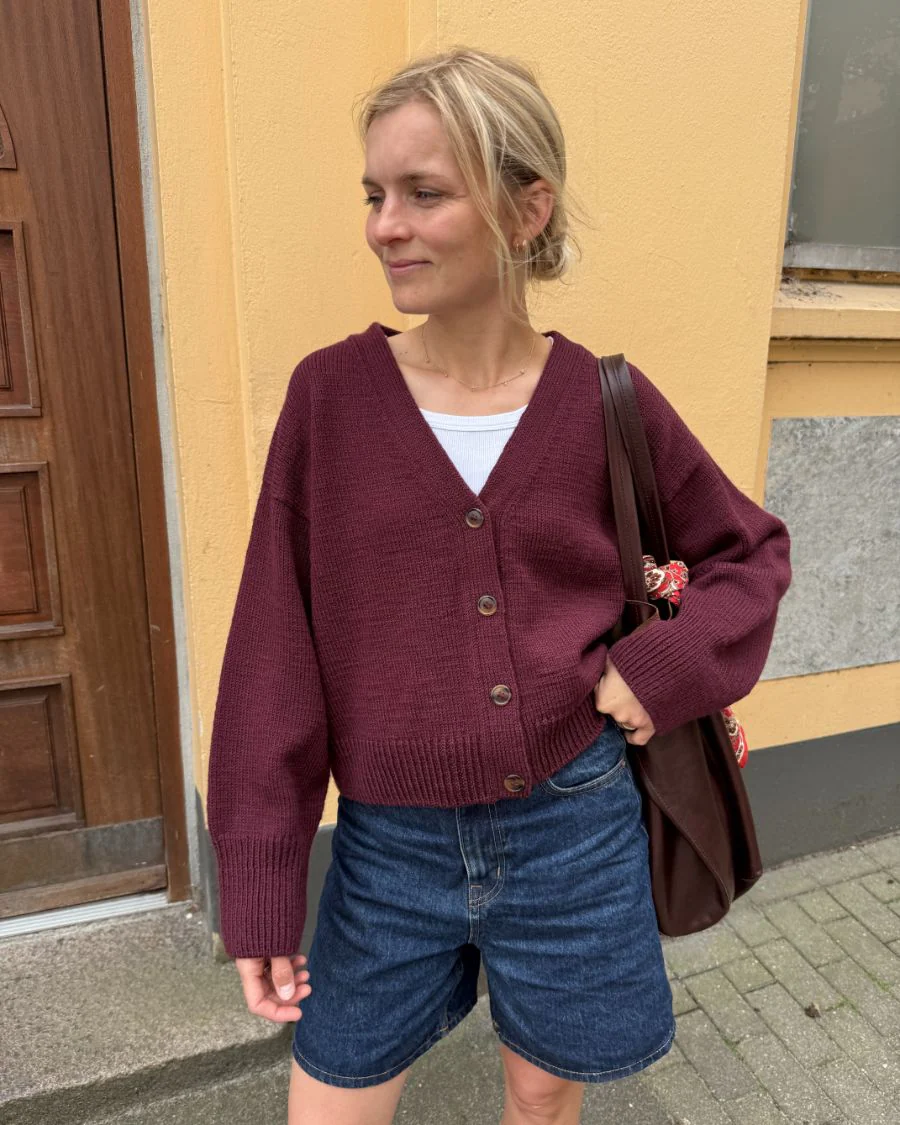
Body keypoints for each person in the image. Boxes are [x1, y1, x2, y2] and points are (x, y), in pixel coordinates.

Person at [206, 46, 792, 1125]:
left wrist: (661, 664)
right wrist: (261, 881)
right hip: (388, 847)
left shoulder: (606, 401)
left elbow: (751, 554)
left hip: (576, 827)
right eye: (375, 195)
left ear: (528, 210)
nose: (386, 226)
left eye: (424, 193)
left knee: (542, 1093)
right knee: (331, 1099)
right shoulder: (330, 399)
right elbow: (271, 653)